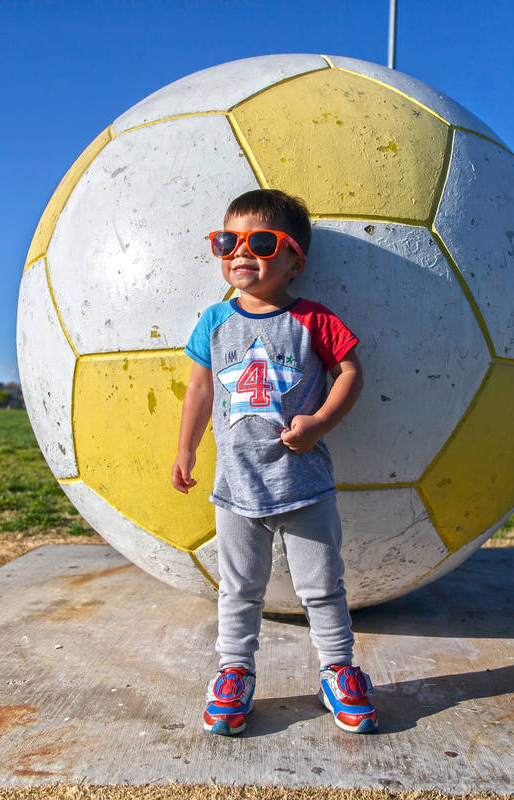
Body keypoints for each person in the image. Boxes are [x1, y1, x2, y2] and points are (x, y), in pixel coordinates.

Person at [170, 188, 376, 736]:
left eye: (260, 242)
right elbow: (198, 391)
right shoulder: (213, 322)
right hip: (235, 489)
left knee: (323, 586)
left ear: (294, 261)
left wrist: (321, 423)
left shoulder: (313, 319)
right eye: (227, 242)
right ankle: (233, 672)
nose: (241, 252)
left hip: (305, 486)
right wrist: (186, 447)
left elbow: (351, 372)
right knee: (238, 589)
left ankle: (338, 671)